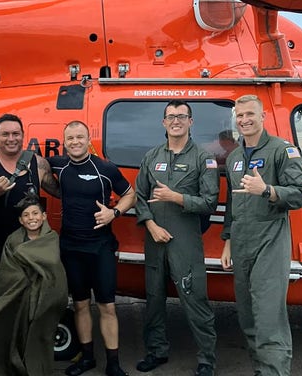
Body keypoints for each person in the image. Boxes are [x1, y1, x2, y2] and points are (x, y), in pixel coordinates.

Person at [220, 95, 302, 376]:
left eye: (250, 114)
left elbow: (300, 195)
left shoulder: (282, 151)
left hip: (270, 242)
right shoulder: (234, 156)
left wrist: (268, 190)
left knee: (268, 317)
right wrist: (228, 242)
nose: (244, 120)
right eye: (240, 115)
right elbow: (232, 204)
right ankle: (262, 370)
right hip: (242, 243)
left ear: (263, 117)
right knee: (247, 317)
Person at [134, 100, 218, 376]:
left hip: (185, 241)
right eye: (170, 116)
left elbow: (209, 202)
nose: (176, 121)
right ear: (164, 122)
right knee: (154, 299)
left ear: (191, 122)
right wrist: (150, 225)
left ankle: (207, 360)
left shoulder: (203, 159)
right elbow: (140, 196)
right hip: (155, 239)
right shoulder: (151, 157)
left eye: (181, 116)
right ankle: (156, 351)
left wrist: (176, 197)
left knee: (195, 299)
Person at [49, 121, 136, 376]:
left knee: (107, 306)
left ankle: (113, 363)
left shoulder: (105, 169)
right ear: (63, 142)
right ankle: (87, 358)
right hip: (71, 246)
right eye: (70, 138)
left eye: (80, 137)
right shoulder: (58, 165)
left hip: (100, 247)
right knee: (80, 304)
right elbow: (28, 160)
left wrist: (114, 212)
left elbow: (131, 194)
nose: (75, 142)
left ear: (89, 140)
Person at [0, 193, 68, 375]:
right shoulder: (13, 240)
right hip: (18, 296)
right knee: (10, 334)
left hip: (43, 298)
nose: (31, 218)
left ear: (44, 216)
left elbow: (54, 272)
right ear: (20, 220)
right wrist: (24, 284)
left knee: (39, 339)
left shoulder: (52, 239)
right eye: (26, 215)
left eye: (35, 214)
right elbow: (8, 272)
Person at [0, 113, 58, 303]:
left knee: (30, 303)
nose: (11, 139)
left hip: (31, 250)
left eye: (16, 134)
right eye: (5, 134)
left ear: (23, 135)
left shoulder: (39, 164)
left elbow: (61, 192)